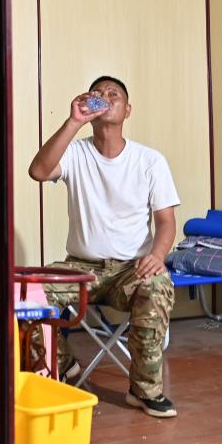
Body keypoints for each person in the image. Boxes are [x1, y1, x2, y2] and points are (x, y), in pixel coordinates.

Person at [28, 75, 179, 418]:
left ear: (127, 110)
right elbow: (38, 171)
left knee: (157, 285)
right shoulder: (75, 152)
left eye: (114, 95)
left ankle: (144, 390)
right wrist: (73, 121)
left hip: (131, 268)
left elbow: (166, 222)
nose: (105, 98)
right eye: (98, 94)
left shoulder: (150, 160)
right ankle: (62, 364)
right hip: (80, 267)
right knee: (29, 293)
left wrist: (157, 255)